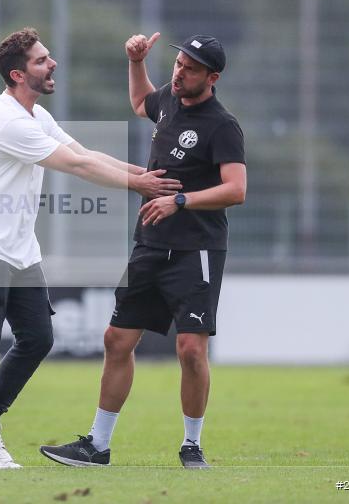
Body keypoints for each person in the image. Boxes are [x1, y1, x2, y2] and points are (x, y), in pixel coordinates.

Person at [0, 27, 182, 469]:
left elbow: (86, 152)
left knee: (38, 338)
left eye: (48, 56)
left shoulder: (36, 115)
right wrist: (139, 186)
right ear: (18, 74)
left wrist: (147, 175)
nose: (52, 63)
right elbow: (76, 165)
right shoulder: (8, 121)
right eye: (41, 60)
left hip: (18, 250)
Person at [39, 33, 246, 469]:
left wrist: (181, 200)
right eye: (179, 63)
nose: (179, 72)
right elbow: (139, 102)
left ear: (212, 77)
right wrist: (136, 62)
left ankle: (192, 445)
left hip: (197, 249)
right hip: (150, 244)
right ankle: (97, 445)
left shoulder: (223, 126)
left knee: (190, 350)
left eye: (191, 68)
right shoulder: (169, 98)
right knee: (116, 340)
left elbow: (236, 190)